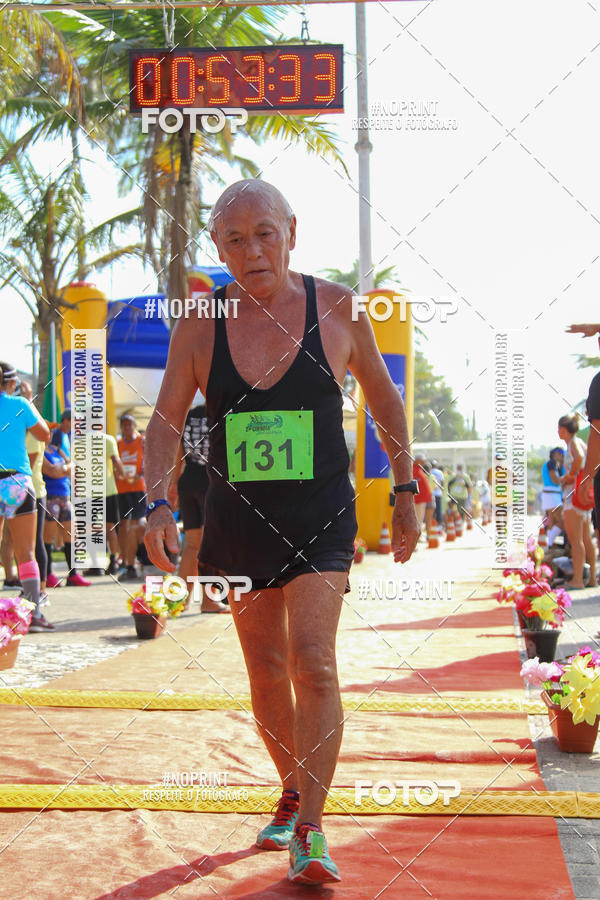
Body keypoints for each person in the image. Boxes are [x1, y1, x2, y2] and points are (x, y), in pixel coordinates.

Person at [143, 180, 419, 886]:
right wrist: (155, 501)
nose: (251, 250)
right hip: (239, 526)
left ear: (291, 231)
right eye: (234, 239)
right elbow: (167, 419)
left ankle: (312, 830)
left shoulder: (336, 309)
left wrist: (408, 493)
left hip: (321, 518)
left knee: (312, 662)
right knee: (265, 672)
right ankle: (291, 788)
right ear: (216, 247)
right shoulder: (200, 323)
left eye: (264, 233)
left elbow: (385, 402)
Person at [0, 362, 52, 631]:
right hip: (17, 481)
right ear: (12, 383)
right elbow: (44, 433)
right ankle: (33, 613)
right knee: (26, 552)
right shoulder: (19, 402)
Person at [167, 403, 229, 613]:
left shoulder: (188, 415)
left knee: (192, 546)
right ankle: (209, 601)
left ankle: (180, 601)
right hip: (211, 482)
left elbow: (178, 453)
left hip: (188, 482)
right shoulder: (221, 410)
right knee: (210, 546)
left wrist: (173, 484)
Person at [42, 438, 91, 588]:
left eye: (51, 431)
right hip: (50, 497)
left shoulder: (57, 450)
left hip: (65, 496)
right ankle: (48, 574)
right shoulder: (40, 451)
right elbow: (51, 471)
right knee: (48, 538)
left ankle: (73, 574)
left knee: (71, 535)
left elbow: (72, 467)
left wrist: (63, 468)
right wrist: (66, 468)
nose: (49, 433)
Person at [558, 413, 597, 589]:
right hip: (581, 498)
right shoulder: (579, 441)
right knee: (586, 538)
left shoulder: (573, 443)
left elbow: (580, 458)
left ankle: (578, 579)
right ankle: (592, 578)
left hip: (573, 497)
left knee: (576, 540)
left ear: (563, 430)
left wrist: (570, 476)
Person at [115, 414, 147, 580]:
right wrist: (118, 474)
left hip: (138, 488)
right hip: (122, 488)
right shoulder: (118, 444)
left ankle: (137, 559)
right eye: (124, 425)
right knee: (123, 526)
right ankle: (125, 559)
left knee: (138, 524)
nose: (127, 428)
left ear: (134, 426)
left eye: (129, 425)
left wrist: (140, 474)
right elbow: (114, 463)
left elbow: (148, 461)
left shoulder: (142, 441)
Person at [541, 447, 565, 545]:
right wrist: (567, 477)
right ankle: (550, 542)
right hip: (553, 495)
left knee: (552, 521)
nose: (562, 456)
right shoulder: (552, 463)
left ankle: (550, 545)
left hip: (549, 495)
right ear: (554, 454)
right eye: (560, 454)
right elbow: (555, 480)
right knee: (562, 522)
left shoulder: (552, 464)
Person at [430, 459, 444, 526]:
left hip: (430, 493)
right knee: (438, 510)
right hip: (438, 493)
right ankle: (439, 525)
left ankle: (432, 524)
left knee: (431, 510)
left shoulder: (429, 471)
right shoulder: (440, 472)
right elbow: (442, 483)